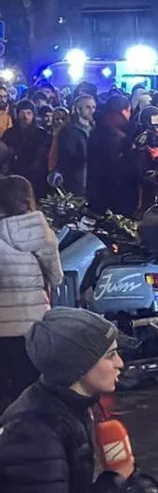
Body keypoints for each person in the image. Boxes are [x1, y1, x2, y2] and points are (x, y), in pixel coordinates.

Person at [0, 307, 134, 493]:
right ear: (78, 365)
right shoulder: (34, 429)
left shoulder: (69, 404)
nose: (120, 363)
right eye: (110, 355)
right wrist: (114, 482)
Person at [0, 175, 63, 411]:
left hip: (2, 328)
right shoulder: (40, 230)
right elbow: (56, 277)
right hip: (35, 325)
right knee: (32, 388)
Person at [87, 95, 138, 216]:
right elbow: (118, 167)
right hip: (113, 195)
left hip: (96, 190)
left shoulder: (97, 130)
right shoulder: (116, 136)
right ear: (124, 111)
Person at [2, 100, 53, 197]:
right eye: (22, 113)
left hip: (36, 177)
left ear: (33, 115)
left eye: (29, 113)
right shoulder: (9, 134)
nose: (25, 117)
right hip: (15, 175)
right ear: (17, 114)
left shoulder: (42, 134)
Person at [54, 93, 96, 197]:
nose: (92, 111)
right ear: (78, 109)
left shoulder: (95, 128)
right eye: (87, 107)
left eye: (93, 107)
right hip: (76, 179)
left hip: (92, 179)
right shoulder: (69, 131)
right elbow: (67, 155)